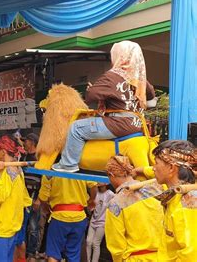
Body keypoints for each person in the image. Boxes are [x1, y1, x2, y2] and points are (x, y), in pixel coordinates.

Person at [52, 40, 154, 173]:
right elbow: (151, 98)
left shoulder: (112, 76)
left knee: (76, 128)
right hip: (136, 125)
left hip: (117, 124)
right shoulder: (140, 80)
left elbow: (91, 97)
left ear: (120, 57)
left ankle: (68, 164)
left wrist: (92, 89)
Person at [104, 155, 163, 261]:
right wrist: (143, 170)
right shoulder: (158, 189)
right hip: (164, 256)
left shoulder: (115, 204)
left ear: (111, 175)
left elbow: (116, 247)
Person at [0, 135, 31, 262]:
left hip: (0, 230)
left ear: (3, 152)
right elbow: (24, 198)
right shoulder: (18, 169)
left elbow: (0, 196)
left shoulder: (6, 172)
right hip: (11, 228)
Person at [151, 140, 197, 261]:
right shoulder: (174, 196)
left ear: (171, 167)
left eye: (156, 163)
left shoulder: (188, 204)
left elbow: (191, 256)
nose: (153, 168)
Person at [38, 169, 97, 261]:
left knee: (53, 254)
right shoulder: (82, 169)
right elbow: (94, 186)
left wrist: (45, 207)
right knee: (73, 254)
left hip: (58, 218)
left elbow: (42, 197)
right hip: (79, 218)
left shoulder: (50, 172)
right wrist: (92, 201)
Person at [86, 183, 114, 262]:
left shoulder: (110, 194)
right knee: (88, 242)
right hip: (93, 220)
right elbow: (90, 205)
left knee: (95, 244)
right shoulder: (95, 192)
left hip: (102, 222)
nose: (97, 182)